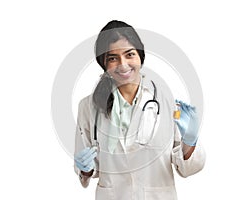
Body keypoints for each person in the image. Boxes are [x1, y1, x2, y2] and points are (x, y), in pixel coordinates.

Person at [74, 20, 206, 200]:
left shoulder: (166, 101)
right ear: (103, 63)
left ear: (140, 56)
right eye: (113, 58)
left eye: (129, 54)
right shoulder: (88, 107)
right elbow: (89, 168)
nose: (123, 64)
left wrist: (189, 141)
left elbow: (187, 169)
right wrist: (85, 169)